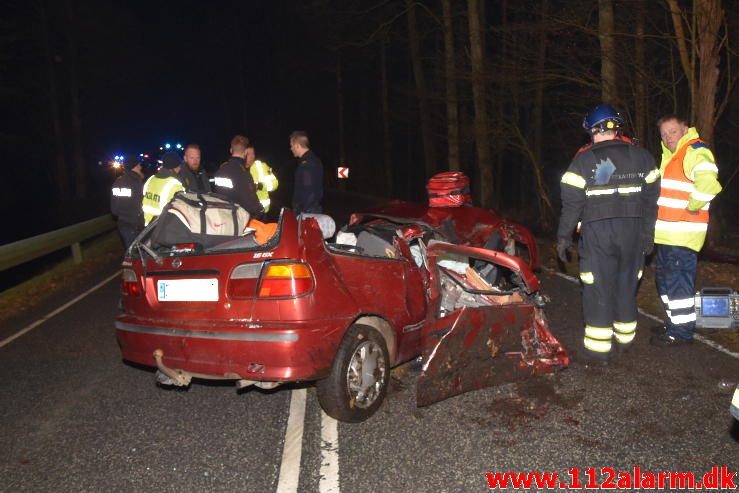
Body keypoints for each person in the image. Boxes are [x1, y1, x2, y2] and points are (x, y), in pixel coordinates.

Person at [557, 103, 661, 363]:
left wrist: (563, 237)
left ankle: (598, 350)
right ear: (617, 128)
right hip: (633, 234)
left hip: (598, 237)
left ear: (593, 130)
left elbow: (571, 206)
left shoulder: (582, 162)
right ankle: (625, 341)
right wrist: (648, 235)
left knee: (597, 290)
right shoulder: (643, 157)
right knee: (627, 286)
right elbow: (652, 202)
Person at [650, 115, 722, 347]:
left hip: (683, 236)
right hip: (667, 236)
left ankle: (681, 333)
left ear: (685, 129)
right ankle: (674, 323)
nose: (668, 137)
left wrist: (691, 207)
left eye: (672, 131)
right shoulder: (671, 156)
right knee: (665, 282)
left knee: (677, 285)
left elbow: (709, 183)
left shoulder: (694, 151)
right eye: (664, 134)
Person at [213, 135, 264, 219]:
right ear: (246, 152)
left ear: (231, 150)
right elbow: (250, 203)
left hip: (222, 218)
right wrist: (260, 211)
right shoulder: (243, 174)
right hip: (238, 221)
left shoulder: (220, 171)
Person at [142, 152, 185, 225]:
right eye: (179, 166)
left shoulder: (150, 179)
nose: (180, 168)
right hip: (164, 228)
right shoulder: (176, 184)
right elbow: (181, 210)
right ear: (174, 167)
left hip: (147, 226)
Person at [110, 160, 145, 248]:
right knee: (139, 255)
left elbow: (114, 209)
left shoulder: (118, 182)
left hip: (123, 225)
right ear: (135, 166)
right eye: (139, 165)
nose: (141, 167)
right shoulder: (137, 182)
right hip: (136, 225)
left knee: (130, 253)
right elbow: (141, 204)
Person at [289, 130, 323, 214]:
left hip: (307, 211)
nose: (291, 148)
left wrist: (301, 211)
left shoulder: (307, 165)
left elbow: (308, 191)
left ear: (297, 146)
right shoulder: (313, 160)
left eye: (292, 146)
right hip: (310, 209)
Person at [246, 143, 279, 212]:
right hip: (243, 212)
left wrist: (260, 186)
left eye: (253, 154)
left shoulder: (261, 166)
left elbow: (275, 184)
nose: (252, 156)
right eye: (249, 154)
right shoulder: (238, 168)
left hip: (261, 211)